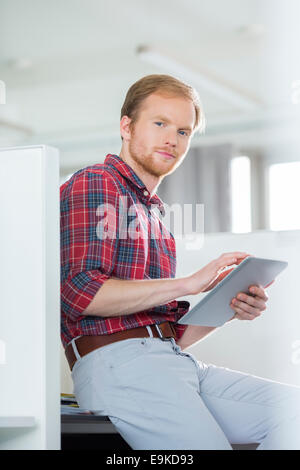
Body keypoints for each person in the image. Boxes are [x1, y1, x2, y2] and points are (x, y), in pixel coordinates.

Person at [60, 74, 300, 450]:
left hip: (168, 359)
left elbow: (168, 333)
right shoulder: (97, 183)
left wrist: (228, 305)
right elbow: (81, 294)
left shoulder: (155, 216)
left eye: (184, 131)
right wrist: (190, 283)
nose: (172, 139)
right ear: (126, 126)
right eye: (159, 124)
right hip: (121, 366)